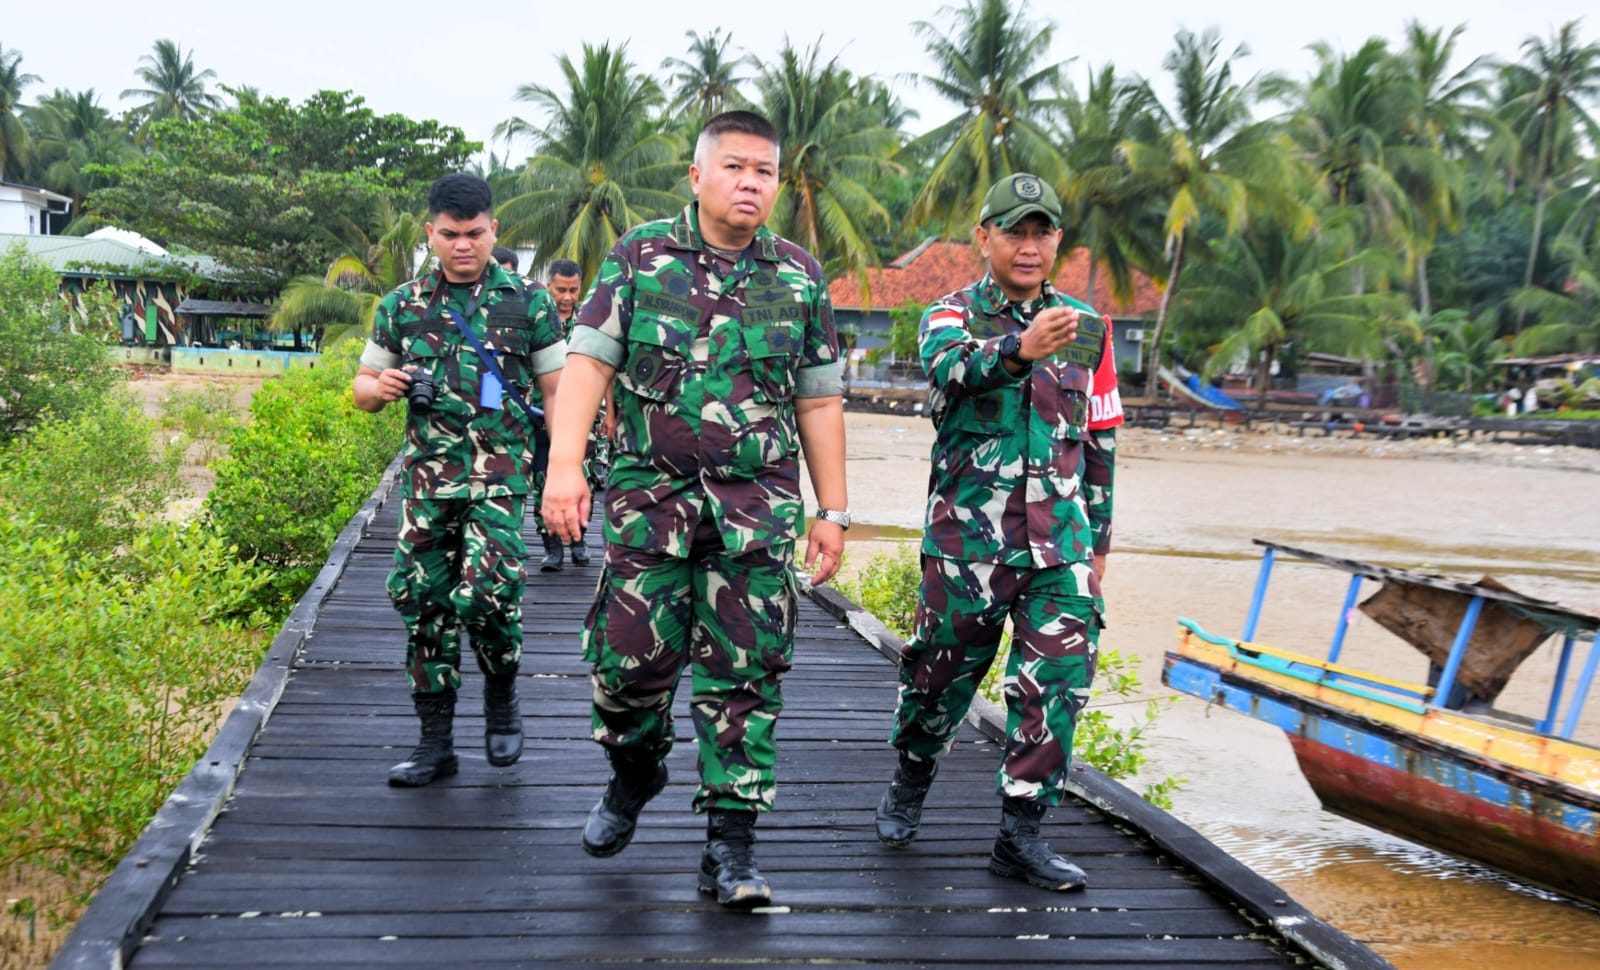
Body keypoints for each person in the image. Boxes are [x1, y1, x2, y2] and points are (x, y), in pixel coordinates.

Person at [541, 110, 848, 908]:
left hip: (758, 510)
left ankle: (731, 850)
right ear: (699, 174)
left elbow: (818, 401)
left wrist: (834, 510)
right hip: (652, 505)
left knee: (746, 677)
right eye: (737, 167)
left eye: (766, 172)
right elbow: (586, 366)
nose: (752, 183)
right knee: (628, 671)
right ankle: (635, 772)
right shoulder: (639, 259)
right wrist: (565, 468)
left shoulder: (798, 276)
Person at [872, 172, 1122, 892]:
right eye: (1014, 230)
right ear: (984, 237)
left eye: (1042, 231)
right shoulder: (949, 315)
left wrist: (1097, 547)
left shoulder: (1088, 330)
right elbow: (953, 371)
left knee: (1057, 685)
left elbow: (1100, 444)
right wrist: (1020, 347)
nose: (1029, 244)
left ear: (1058, 242)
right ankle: (911, 777)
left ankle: (1022, 832)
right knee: (936, 681)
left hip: (1060, 546)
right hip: (968, 546)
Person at [354, 174, 565, 787]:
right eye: (450, 235)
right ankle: (435, 743)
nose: (464, 246)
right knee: (423, 606)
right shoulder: (402, 304)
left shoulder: (529, 303)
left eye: (475, 234)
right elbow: (363, 389)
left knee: (489, 593)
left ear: (494, 229)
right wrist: (383, 388)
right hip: (427, 484)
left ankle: (501, 695)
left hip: (501, 478)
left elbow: (556, 393)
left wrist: (563, 471)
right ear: (431, 234)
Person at [527, 258, 613, 572]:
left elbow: (604, 368)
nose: (567, 297)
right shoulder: (536, 321)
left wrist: (609, 412)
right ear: (548, 287)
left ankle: (578, 539)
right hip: (539, 412)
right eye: (560, 290)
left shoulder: (589, 322)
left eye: (573, 290)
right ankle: (551, 547)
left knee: (585, 477)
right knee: (542, 478)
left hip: (583, 415)